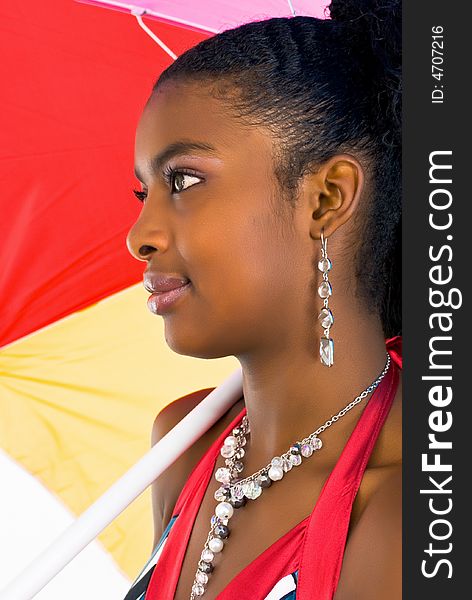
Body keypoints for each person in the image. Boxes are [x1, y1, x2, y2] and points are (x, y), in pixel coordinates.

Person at [124, 0, 402, 597]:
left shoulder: (407, 513)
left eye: (185, 180)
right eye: (143, 191)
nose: (139, 236)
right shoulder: (185, 443)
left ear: (328, 199)